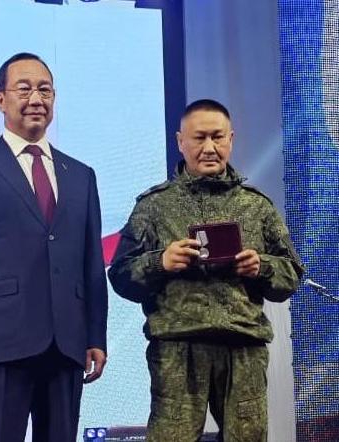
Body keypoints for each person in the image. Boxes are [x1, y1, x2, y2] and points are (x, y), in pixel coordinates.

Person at [108, 99, 304, 442]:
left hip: (242, 347)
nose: (209, 147)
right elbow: (121, 275)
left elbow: (291, 275)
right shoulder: (154, 207)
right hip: (178, 349)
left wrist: (261, 266)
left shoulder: (256, 206)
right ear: (180, 141)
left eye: (217, 137)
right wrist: (160, 262)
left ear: (231, 139)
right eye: (199, 138)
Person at [0, 52, 108, 442]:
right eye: (24, 88)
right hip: (0, 342)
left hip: (67, 344)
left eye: (45, 90)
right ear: (1, 100)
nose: (36, 98)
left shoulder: (80, 175)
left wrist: (95, 335)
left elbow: (91, 264)